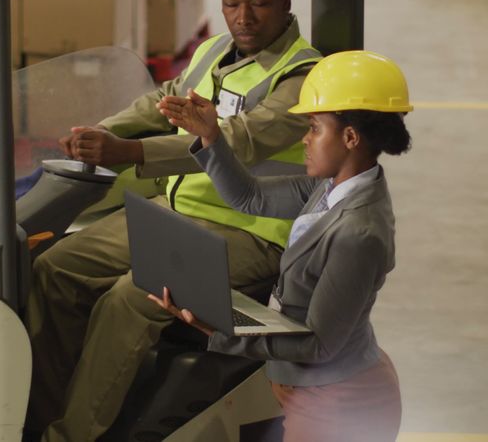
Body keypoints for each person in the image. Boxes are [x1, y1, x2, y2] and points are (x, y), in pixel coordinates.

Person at [25, 0, 322, 442]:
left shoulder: (301, 78)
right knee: (54, 268)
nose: (244, 17)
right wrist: (106, 131)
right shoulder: (213, 51)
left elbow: (237, 140)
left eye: (259, 3)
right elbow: (165, 99)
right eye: (232, 3)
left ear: (286, 0)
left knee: (130, 298)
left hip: (250, 233)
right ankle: (41, 415)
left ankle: (70, 436)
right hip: (179, 213)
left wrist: (130, 153)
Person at [151, 50, 413, 442]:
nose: (306, 139)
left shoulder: (359, 233)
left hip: (338, 402)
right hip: (309, 387)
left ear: (350, 137)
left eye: (315, 128)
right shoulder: (330, 188)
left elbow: (319, 344)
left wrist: (218, 328)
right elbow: (250, 197)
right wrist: (211, 135)